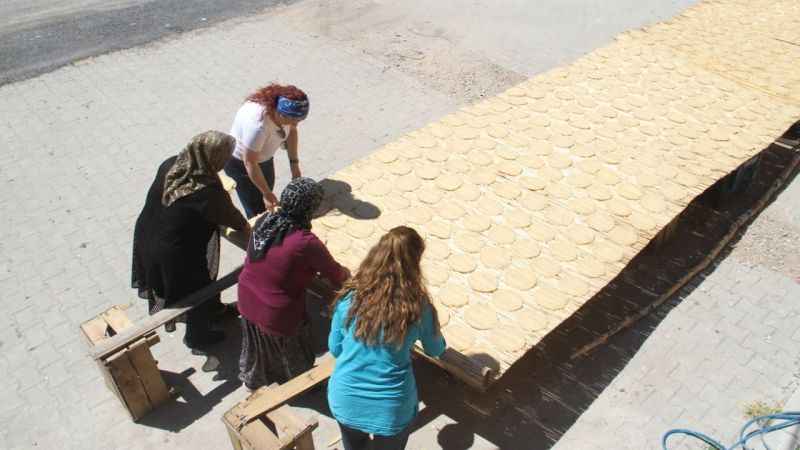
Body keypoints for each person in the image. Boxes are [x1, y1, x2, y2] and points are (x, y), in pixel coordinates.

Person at [327, 226, 447, 450]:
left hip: (345, 399)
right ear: (414, 263)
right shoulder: (417, 307)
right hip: (392, 411)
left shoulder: (349, 297)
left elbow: (334, 349)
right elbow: (435, 350)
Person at [132, 131, 250, 350]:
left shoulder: (172, 164)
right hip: (176, 255)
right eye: (223, 158)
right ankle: (198, 336)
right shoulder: (205, 192)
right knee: (196, 292)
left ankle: (215, 310)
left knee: (201, 284)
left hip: (149, 235)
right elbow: (236, 220)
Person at [237, 177, 349, 389]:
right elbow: (337, 275)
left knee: (260, 343)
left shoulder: (265, 222)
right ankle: (299, 387)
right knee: (293, 354)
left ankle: (255, 379)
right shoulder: (305, 242)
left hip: (246, 297)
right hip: (276, 313)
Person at [225, 84, 310, 218]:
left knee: (267, 194)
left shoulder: (285, 116)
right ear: (279, 112)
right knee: (257, 208)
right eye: (293, 120)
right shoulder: (258, 126)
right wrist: (266, 194)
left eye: (300, 120)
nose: (296, 123)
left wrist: (294, 166)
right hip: (241, 165)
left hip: (262, 158)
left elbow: (292, 131)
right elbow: (250, 162)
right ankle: (258, 232)